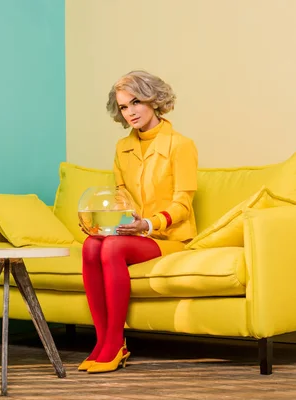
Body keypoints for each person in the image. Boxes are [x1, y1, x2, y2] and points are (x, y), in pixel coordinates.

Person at [78, 70, 199, 374]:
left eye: (136, 102)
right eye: (122, 106)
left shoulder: (181, 145)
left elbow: (183, 205)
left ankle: (115, 342)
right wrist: (101, 224)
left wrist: (147, 225)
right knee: (92, 245)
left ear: (154, 100)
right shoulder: (122, 148)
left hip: (169, 239)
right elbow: (122, 197)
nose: (130, 112)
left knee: (112, 249)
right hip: (135, 234)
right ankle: (103, 340)